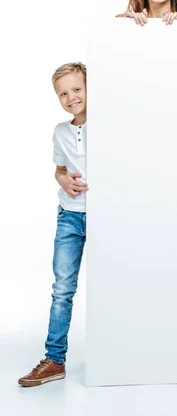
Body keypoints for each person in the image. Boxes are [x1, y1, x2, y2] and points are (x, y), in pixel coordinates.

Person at [18, 63, 89, 386]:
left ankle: (120, 355)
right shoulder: (61, 131)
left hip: (109, 216)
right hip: (71, 216)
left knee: (115, 287)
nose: (71, 97)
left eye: (77, 89)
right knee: (62, 289)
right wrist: (63, 180)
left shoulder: (113, 123)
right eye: (63, 93)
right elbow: (60, 170)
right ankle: (55, 359)